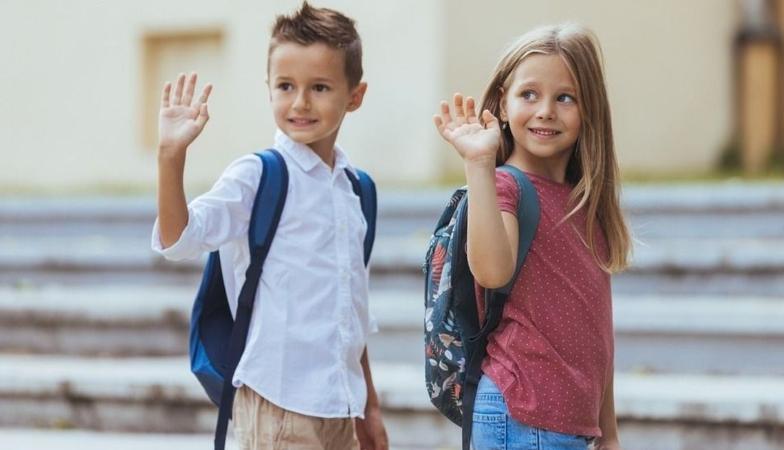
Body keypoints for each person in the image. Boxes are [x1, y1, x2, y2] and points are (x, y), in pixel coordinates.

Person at [151, 2, 388, 449]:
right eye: (285, 86)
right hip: (277, 403)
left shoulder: (357, 190)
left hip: (341, 405)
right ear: (269, 89)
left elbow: (350, 312)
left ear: (354, 96)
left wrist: (369, 408)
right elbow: (177, 240)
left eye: (319, 87)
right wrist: (171, 157)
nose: (300, 102)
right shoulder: (258, 175)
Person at [433, 23, 632, 450]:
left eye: (565, 97)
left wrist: (608, 429)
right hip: (520, 415)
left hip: (566, 427)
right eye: (529, 95)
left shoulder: (585, 204)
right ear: (503, 105)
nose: (545, 110)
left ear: (589, 110)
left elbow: (599, 333)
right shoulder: (505, 186)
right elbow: (491, 269)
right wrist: (480, 166)